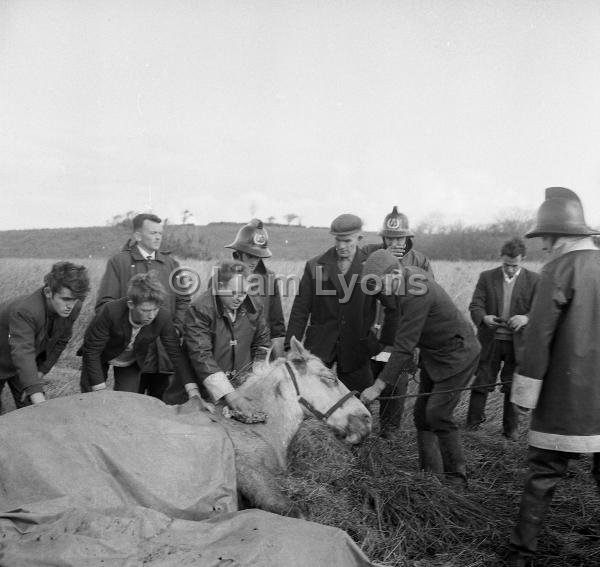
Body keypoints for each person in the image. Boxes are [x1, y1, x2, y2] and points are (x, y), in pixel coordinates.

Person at [508, 187, 600, 566]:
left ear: (559, 235)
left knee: (543, 473)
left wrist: (524, 394)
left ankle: (520, 553)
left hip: (566, 397)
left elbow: (538, 335)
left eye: (544, 237)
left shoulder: (558, 270)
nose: (543, 246)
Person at [359, 250, 480, 487]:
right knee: (421, 414)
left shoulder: (415, 290)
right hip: (435, 357)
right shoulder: (402, 283)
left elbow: (404, 345)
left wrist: (378, 385)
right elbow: (398, 333)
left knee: (438, 414)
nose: (381, 292)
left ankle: (457, 478)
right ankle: (430, 475)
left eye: (381, 285)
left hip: (458, 355)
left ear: (394, 273)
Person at [95, 213, 190, 399]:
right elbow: (105, 304)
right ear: (138, 236)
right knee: (129, 404)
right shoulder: (119, 262)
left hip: (163, 354)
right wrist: (125, 332)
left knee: (163, 407)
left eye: (160, 233)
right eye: (153, 232)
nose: (158, 237)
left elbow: (183, 301)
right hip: (131, 354)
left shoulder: (171, 264)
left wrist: (176, 328)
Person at [285, 213, 378, 393]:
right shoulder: (314, 265)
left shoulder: (371, 267)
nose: (341, 246)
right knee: (311, 398)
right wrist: (291, 345)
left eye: (347, 241)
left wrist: (374, 340)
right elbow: (300, 309)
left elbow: (383, 307)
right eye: (338, 240)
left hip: (356, 348)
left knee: (357, 403)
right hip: (320, 345)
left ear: (359, 237)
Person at [363, 206, 434, 438]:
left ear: (408, 238)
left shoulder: (420, 262)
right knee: (367, 382)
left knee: (395, 384)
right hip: (372, 334)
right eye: (390, 238)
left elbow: (425, 302)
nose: (395, 242)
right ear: (383, 238)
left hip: (401, 336)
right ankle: (362, 432)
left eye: (400, 237)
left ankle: (389, 435)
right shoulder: (368, 254)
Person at [81, 272, 197, 400]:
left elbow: (176, 353)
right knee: (92, 398)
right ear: (131, 305)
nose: (152, 316)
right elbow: (92, 350)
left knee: (126, 400)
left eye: (155, 309)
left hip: (131, 360)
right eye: (146, 311)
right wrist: (99, 388)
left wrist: (191, 387)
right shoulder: (110, 311)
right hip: (100, 355)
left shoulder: (163, 317)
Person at [466, 237, 539, 440]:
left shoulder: (535, 280)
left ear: (522, 259)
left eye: (514, 265)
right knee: (481, 382)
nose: (509, 269)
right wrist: (484, 317)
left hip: (518, 345)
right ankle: (473, 427)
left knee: (512, 386)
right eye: (506, 264)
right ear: (501, 258)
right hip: (490, 341)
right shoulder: (486, 277)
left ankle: (510, 431)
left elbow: (540, 311)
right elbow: (475, 305)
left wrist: (525, 318)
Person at [180, 260, 270, 417]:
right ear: (220, 287)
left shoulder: (255, 306)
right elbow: (202, 356)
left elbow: (262, 343)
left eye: (243, 293)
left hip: (242, 388)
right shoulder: (199, 309)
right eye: (234, 292)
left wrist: (255, 383)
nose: (239, 298)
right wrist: (231, 395)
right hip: (203, 392)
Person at [0, 262, 89, 411]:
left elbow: (62, 339)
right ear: (48, 292)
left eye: (75, 299)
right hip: (4, 354)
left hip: (22, 363)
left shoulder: (73, 305)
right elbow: (23, 351)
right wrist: (37, 394)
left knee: (30, 410)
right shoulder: (26, 311)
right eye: (66, 299)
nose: (70, 305)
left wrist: (41, 370)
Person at [224, 219, 286, 358]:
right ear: (238, 252)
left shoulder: (270, 278)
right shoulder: (222, 278)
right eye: (250, 255)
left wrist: (280, 363)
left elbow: (277, 327)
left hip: (262, 354)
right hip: (230, 354)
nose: (254, 261)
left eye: (258, 257)